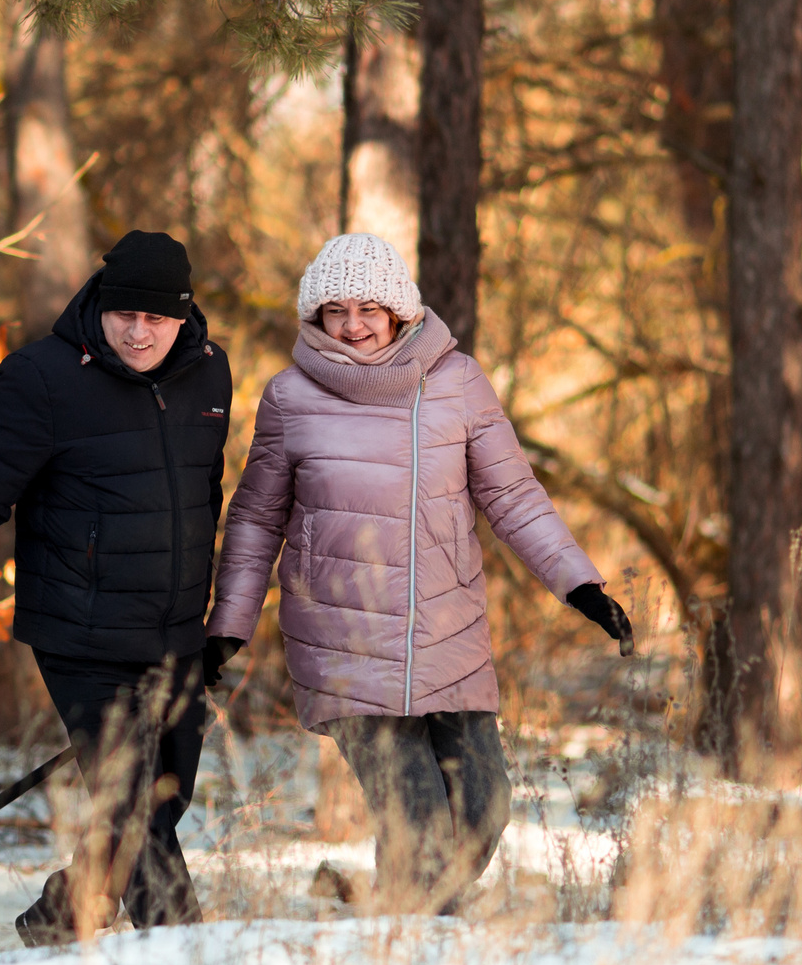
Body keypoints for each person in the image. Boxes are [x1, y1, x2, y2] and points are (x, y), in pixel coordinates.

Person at [208, 233, 632, 909]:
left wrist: (579, 584)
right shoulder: (290, 397)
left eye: (369, 309)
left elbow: (512, 495)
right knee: (420, 825)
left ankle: (404, 919)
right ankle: (414, 948)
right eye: (336, 311)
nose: (353, 325)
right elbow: (257, 517)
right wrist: (229, 625)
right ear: (315, 316)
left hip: (446, 632)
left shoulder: (456, 381)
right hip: (344, 642)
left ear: (399, 310)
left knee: (485, 809)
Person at [0, 229, 234, 944]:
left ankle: (61, 915)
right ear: (100, 304)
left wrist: (212, 616)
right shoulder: (41, 377)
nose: (139, 333)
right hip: (79, 629)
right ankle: (186, 954)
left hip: (174, 628)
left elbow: (204, 492)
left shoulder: (209, 372)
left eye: (156, 318)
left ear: (183, 315)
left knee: (165, 795)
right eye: (124, 315)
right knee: (137, 805)